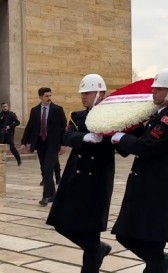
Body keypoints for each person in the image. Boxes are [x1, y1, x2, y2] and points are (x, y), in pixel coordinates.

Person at [110, 68, 168, 272]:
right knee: (124, 234)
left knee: (152, 242)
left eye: (159, 89)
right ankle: (160, 261)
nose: (154, 93)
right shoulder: (157, 115)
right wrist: (117, 133)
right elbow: (135, 140)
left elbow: (146, 146)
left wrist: (123, 138)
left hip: (158, 189)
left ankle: (157, 263)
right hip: (145, 187)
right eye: (155, 89)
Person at [46, 74, 115, 273]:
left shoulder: (113, 115)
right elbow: (67, 136)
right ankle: (98, 249)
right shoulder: (78, 116)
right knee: (61, 222)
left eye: (87, 92)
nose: (83, 97)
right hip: (75, 177)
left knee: (91, 231)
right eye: (82, 93)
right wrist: (85, 137)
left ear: (100, 93)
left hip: (98, 179)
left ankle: (92, 260)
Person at [21, 87, 67, 206]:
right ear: (40, 97)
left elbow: (64, 128)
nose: (49, 98)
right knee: (44, 169)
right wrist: (23, 142)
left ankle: (46, 196)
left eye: (50, 95)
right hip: (40, 144)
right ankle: (53, 195)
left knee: (47, 169)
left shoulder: (57, 110)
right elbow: (30, 127)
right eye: (46, 96)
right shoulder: (35, 110)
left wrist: (64, 144)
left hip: (53, 144)